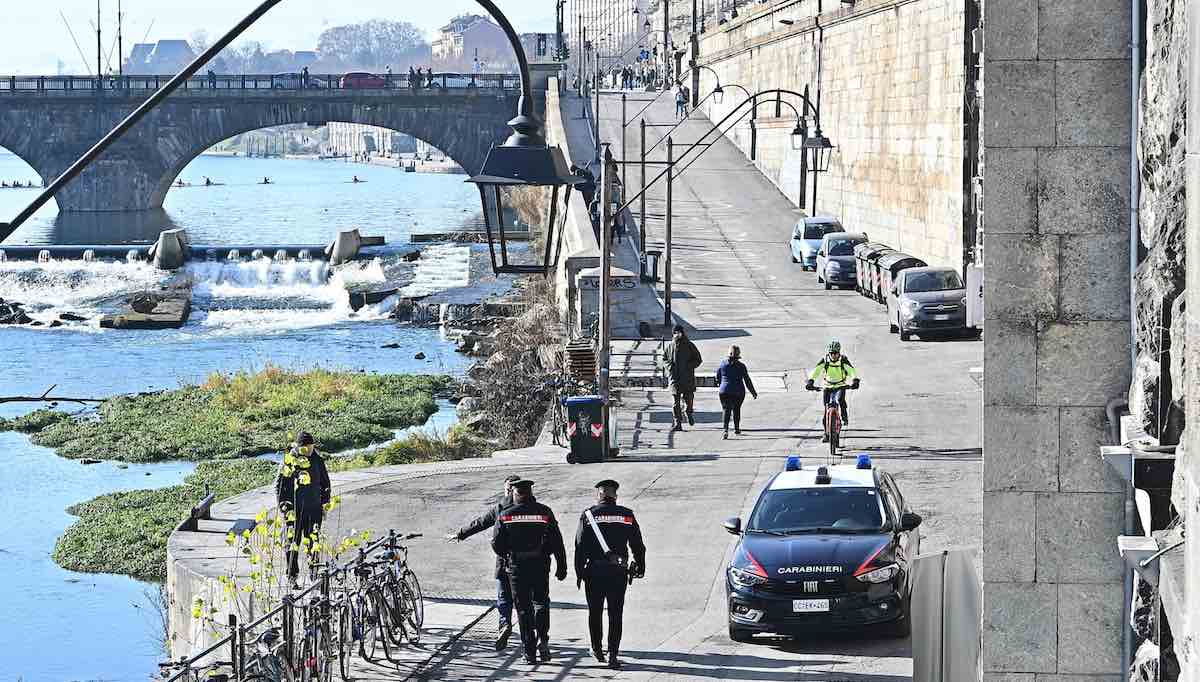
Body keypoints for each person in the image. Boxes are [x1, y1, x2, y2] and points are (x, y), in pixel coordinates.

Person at [491, 479, 568, 665]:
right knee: (541, 603)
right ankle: (544, 640)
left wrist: (509, 555)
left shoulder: (506, 514)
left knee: (524, 609)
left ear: (515, 494)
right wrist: (561, 565)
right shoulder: (544, 511)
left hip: (517, 568)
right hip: (540, 565)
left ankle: (529, 652)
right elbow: (557, 540)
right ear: (531, 493)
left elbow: (496, 543)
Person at [574, 480, 646, 670]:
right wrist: (640, 566)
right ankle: (613, 654)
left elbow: (579, 546)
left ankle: (597, 650)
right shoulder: (626, 515)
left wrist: (579, 572)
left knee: (595, 611)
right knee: (616, 613)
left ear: (599, 495)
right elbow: (638, 544)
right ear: (615, 496)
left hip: (594, 572)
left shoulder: (588, 515)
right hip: (618, 572)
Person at [446, 474, 521, 650]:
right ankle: (532, 635)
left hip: (504, 561)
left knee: (504, 597)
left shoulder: (501, 507)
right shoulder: (532, 507)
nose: (508, 491)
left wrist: (460, 534)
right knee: (525, 600)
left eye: (509, 488)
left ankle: (504, 625)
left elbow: (481, 523)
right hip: (529, 562)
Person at [275, 431, 332, 586]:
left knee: (313, 543)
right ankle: (292, 576)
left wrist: (324, 505)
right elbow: (279, 487)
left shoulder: (317, 460)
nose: (309, 451)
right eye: (306, 449)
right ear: (299, 447)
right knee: (292, 543)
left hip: (313, 510)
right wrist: (284, 508)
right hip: (294, 511)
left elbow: (326, 485)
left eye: (311, 447)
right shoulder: (289, 461)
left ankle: (314, 574)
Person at [805, 340, 860, 440]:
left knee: (840, 400)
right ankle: (826, 433)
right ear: (829, 353)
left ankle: (844, 414)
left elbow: (851, 371)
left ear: (839, 352)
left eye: (836, 353)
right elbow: (816, 371)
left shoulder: (843, 360)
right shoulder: (825, 360)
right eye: (832, 353)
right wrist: (811, 381)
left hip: (840, 385)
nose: (834, 355)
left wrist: (855, 380)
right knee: (826, 410)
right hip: (827, 386)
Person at [664, 324, 702, 430]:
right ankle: (678, 423)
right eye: (675, 333)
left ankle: (689, 412)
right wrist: (669, 367)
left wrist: (689, 367)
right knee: (675, 404)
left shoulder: (689, 345)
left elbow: (698, 359)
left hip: (687, 378)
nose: (677, 335)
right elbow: (664, 359)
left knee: (689, 400)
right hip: (674, 379)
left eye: (679, 332)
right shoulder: (670, 346)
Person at [716, 345, 758, 439]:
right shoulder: (741, 366)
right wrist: (753, 392)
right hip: (738, 392)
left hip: (724, 391)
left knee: (726, 410)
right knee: (736, 409)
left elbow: (718, 376)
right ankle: (736, 428)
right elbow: (747, 381)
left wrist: (721, 384)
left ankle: (725, 430)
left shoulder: (723, 364)